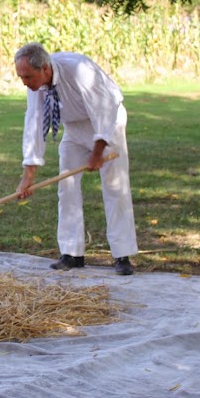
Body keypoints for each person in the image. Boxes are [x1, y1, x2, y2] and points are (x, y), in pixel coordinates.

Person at [14, 42, 138, 275]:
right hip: (74, 128)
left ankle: (122, 255)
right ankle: (72, 253)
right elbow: (34, 122)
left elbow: (105, 109)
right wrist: (28, 175)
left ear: (45, 69)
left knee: (115, 188)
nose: (24, 82)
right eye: (21, 76)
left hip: (108, 124)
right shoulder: (35, 86)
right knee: (66, 187)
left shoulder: (80, 69)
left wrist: (98, 150)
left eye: (28, 76)